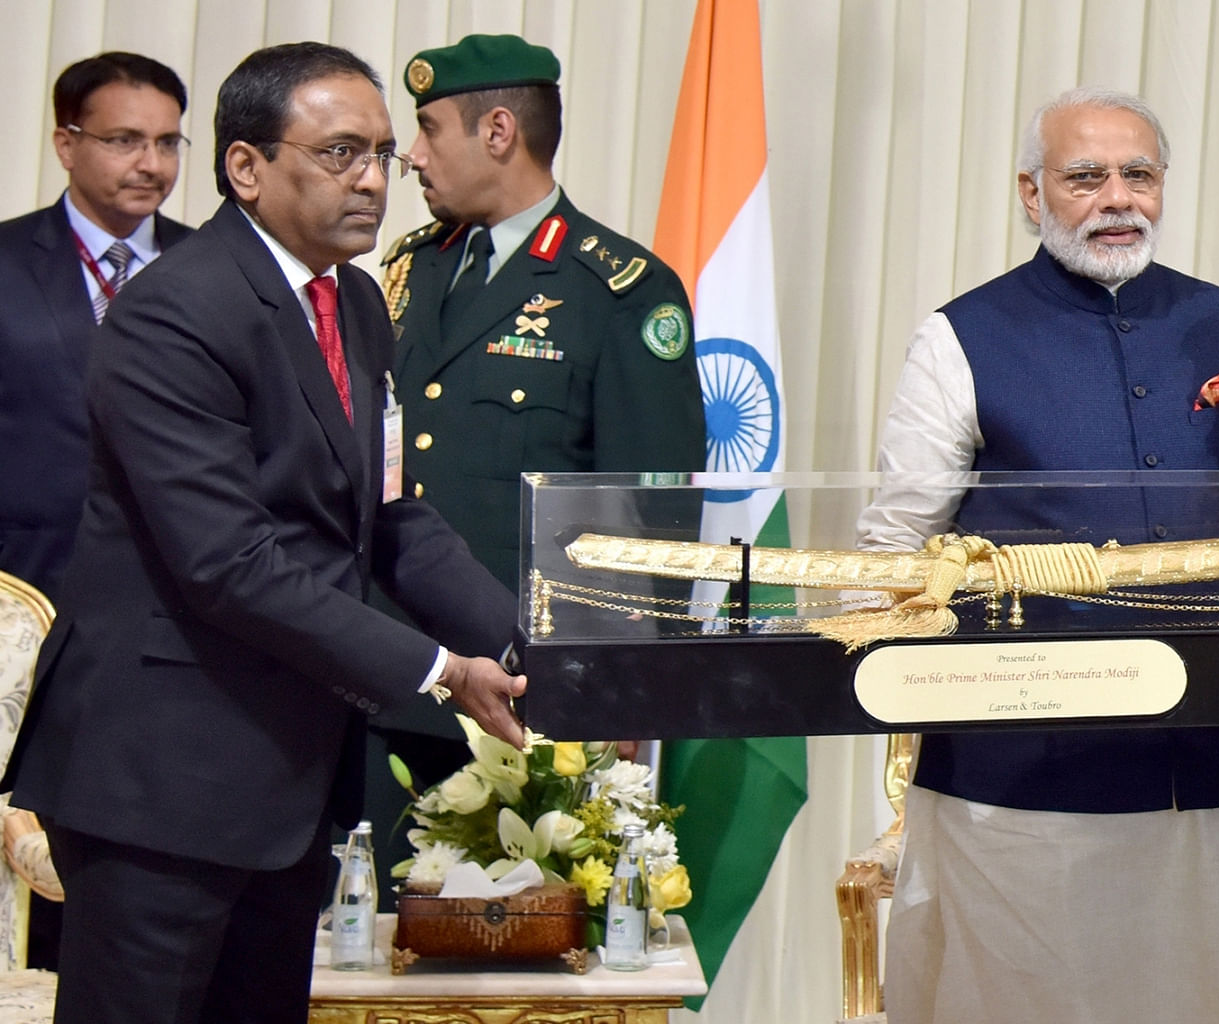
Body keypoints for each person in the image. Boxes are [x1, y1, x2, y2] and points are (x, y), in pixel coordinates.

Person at [1, 42, 528, 1024]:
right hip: (157, 782)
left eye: (382, 153)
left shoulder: (357, 302)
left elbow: (389, 516)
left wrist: (521, 639)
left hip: (282, 779)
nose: (374, 178)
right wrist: (443, 669)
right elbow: (229, 565)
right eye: (340, 153)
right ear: (246, 166)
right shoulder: (174, 309)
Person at [855, 86, 1219, 1024]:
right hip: (1016, 779)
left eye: (1137, 174)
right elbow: (897, 549)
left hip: (1205, 762)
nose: (1117, 198)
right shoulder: (958, 336)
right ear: (1031, 193)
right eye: (1085, 176)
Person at [366, 32, 707, 881]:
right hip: (388, 667)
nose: (410, 157)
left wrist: (620, 676)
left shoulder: (618, 287)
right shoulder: (408, 270)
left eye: (428, 128)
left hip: (527, 687)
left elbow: (651, 514)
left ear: (497, 132)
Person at [0, 52, 193, 603]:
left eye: (166, 142)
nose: (151, 164)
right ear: (67, 145)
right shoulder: (6, 260)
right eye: (124, 141)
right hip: (29, 584)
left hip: (181, 591)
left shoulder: (213, 265)